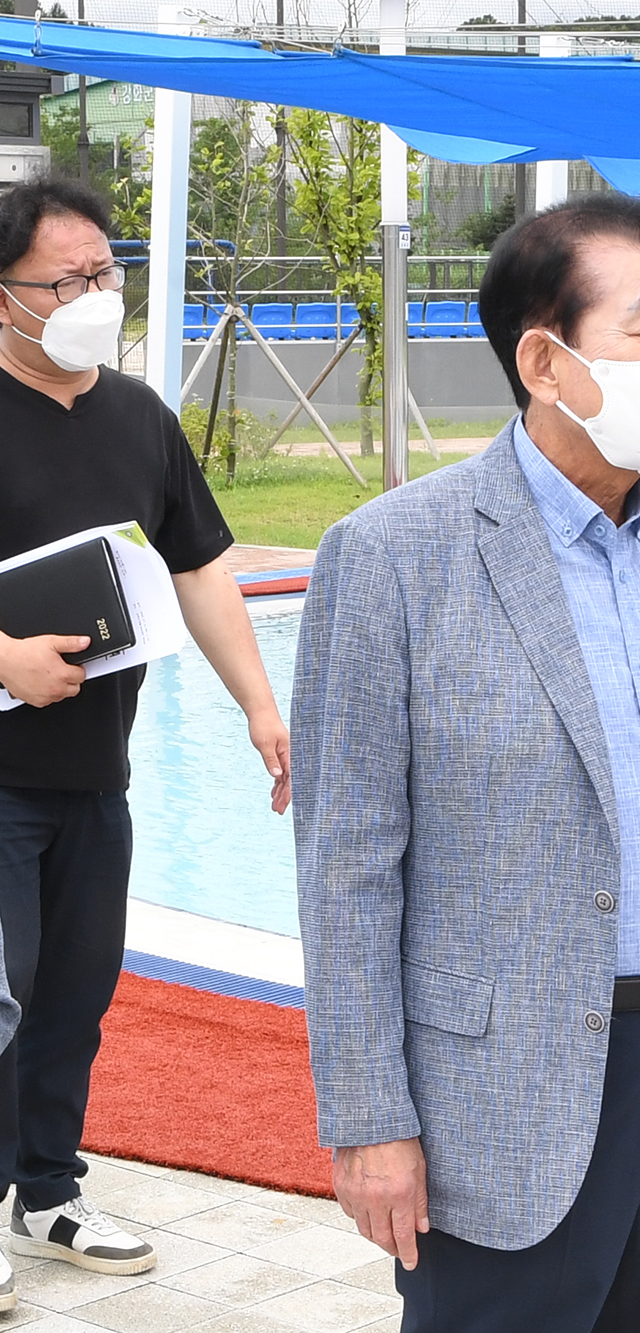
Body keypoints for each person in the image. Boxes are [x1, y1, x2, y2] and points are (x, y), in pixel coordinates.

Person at [290, 193, 640, 1333]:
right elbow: (346, 866)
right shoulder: (392, 556)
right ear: (544, 361)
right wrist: (369, 1118)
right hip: (504, 1081)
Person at [0, 177, 290, 1303]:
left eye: (104, 272)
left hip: (92, 773)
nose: (93, 296)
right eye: (65, 280)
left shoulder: (138, 416)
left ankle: (47, 1193)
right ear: (4, 297)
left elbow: (200, 567)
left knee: (74, 993)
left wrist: (259, 705)